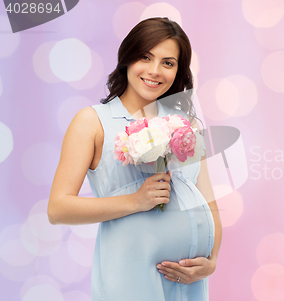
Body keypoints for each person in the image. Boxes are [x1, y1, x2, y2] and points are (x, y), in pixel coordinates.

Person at [48, 17, 222, 301]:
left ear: (178, 71)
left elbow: (208, 202)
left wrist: (210, 262)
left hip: (187, 282)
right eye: (145, 57)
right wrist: (135, 201)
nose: (155, 71)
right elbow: (57, 209)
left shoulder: (186, 125)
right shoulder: (92, 122)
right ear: (127, 58)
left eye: (168, 63)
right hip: (129, 276)